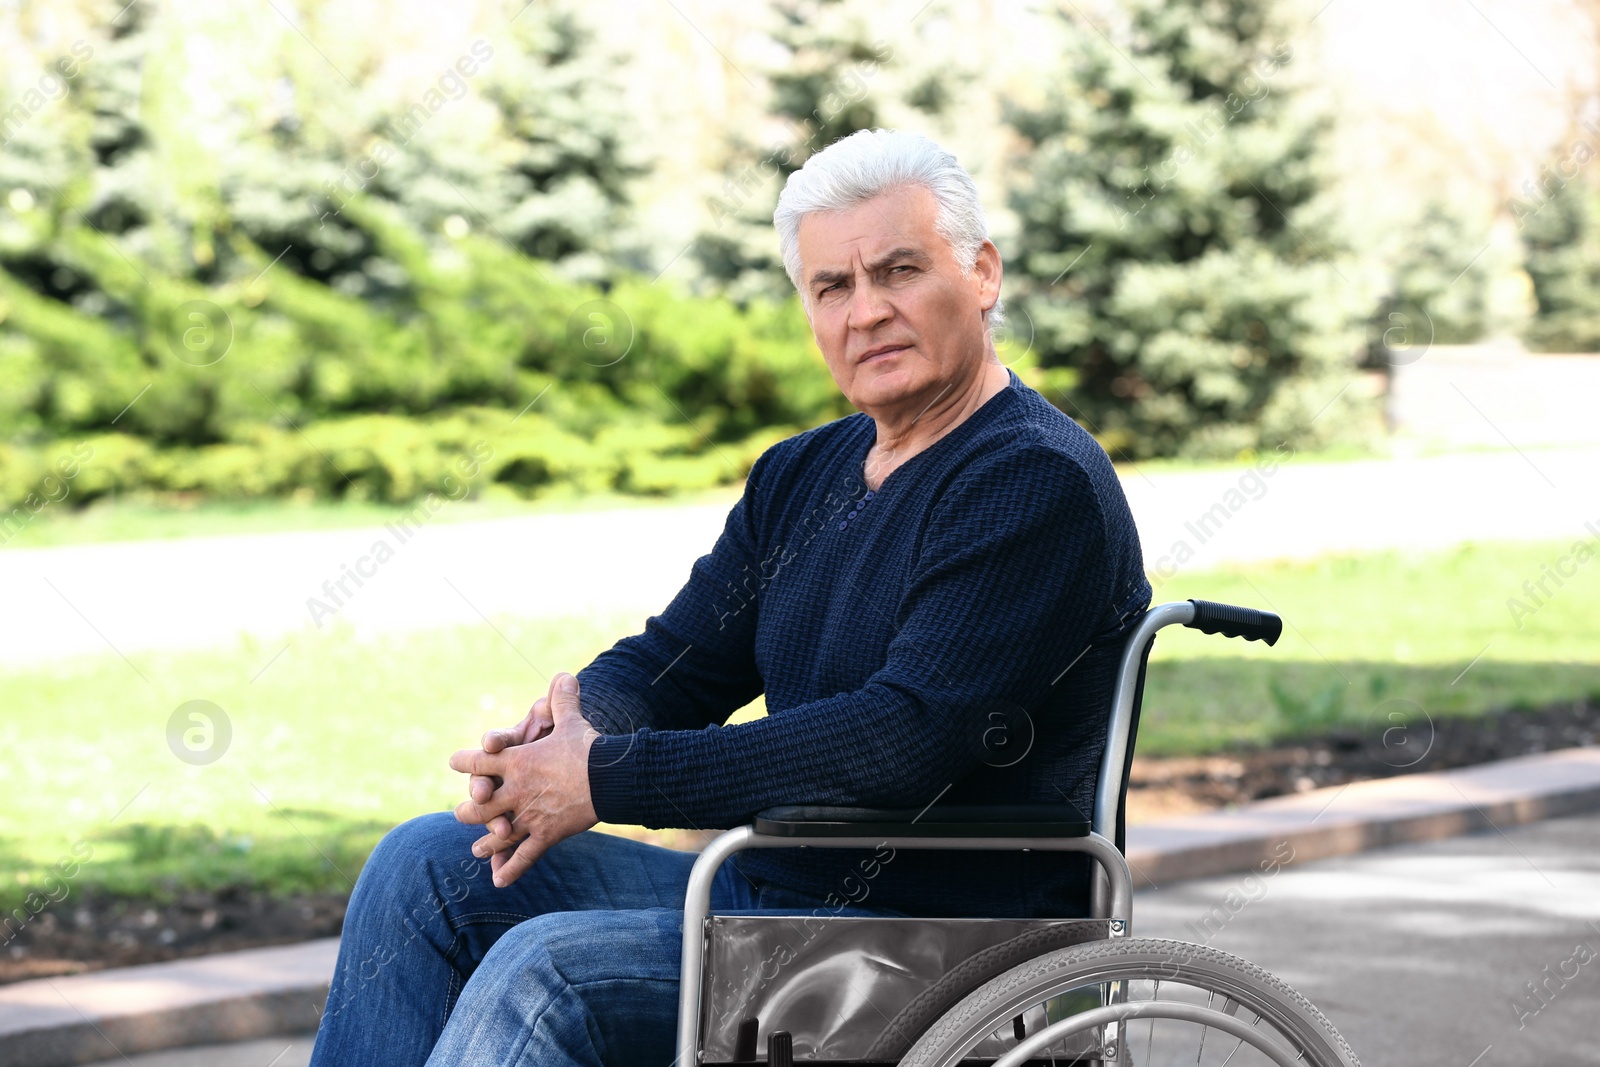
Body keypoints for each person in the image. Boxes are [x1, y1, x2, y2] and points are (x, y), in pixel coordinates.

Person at [308, 128, 1150, 1067]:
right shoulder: (802, 475)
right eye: (833, 287)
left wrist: (608, 778)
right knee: (422, 868)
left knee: (545, 969)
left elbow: (903, 738)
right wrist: (563, 739)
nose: (866, 311)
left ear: (982, 273)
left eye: (900, 271)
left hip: (948, 944)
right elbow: (683, 660)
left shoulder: (1033, 481)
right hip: (769, 902)